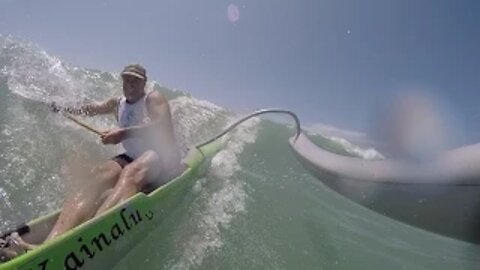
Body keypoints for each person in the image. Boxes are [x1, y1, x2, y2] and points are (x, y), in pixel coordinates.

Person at [36, 64, 183, 244]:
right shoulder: (117, 103)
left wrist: (123, 133)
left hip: (160, 157)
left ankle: (92, 233)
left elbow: (162, 125)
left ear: (144, 82)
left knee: (130, 173)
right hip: (131, 155)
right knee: (98, 175)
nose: (130, 83)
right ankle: (51, 242)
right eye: (126, 79)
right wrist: (63, 108)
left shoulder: (152, 99)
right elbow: (90, 109)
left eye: (135, 80)